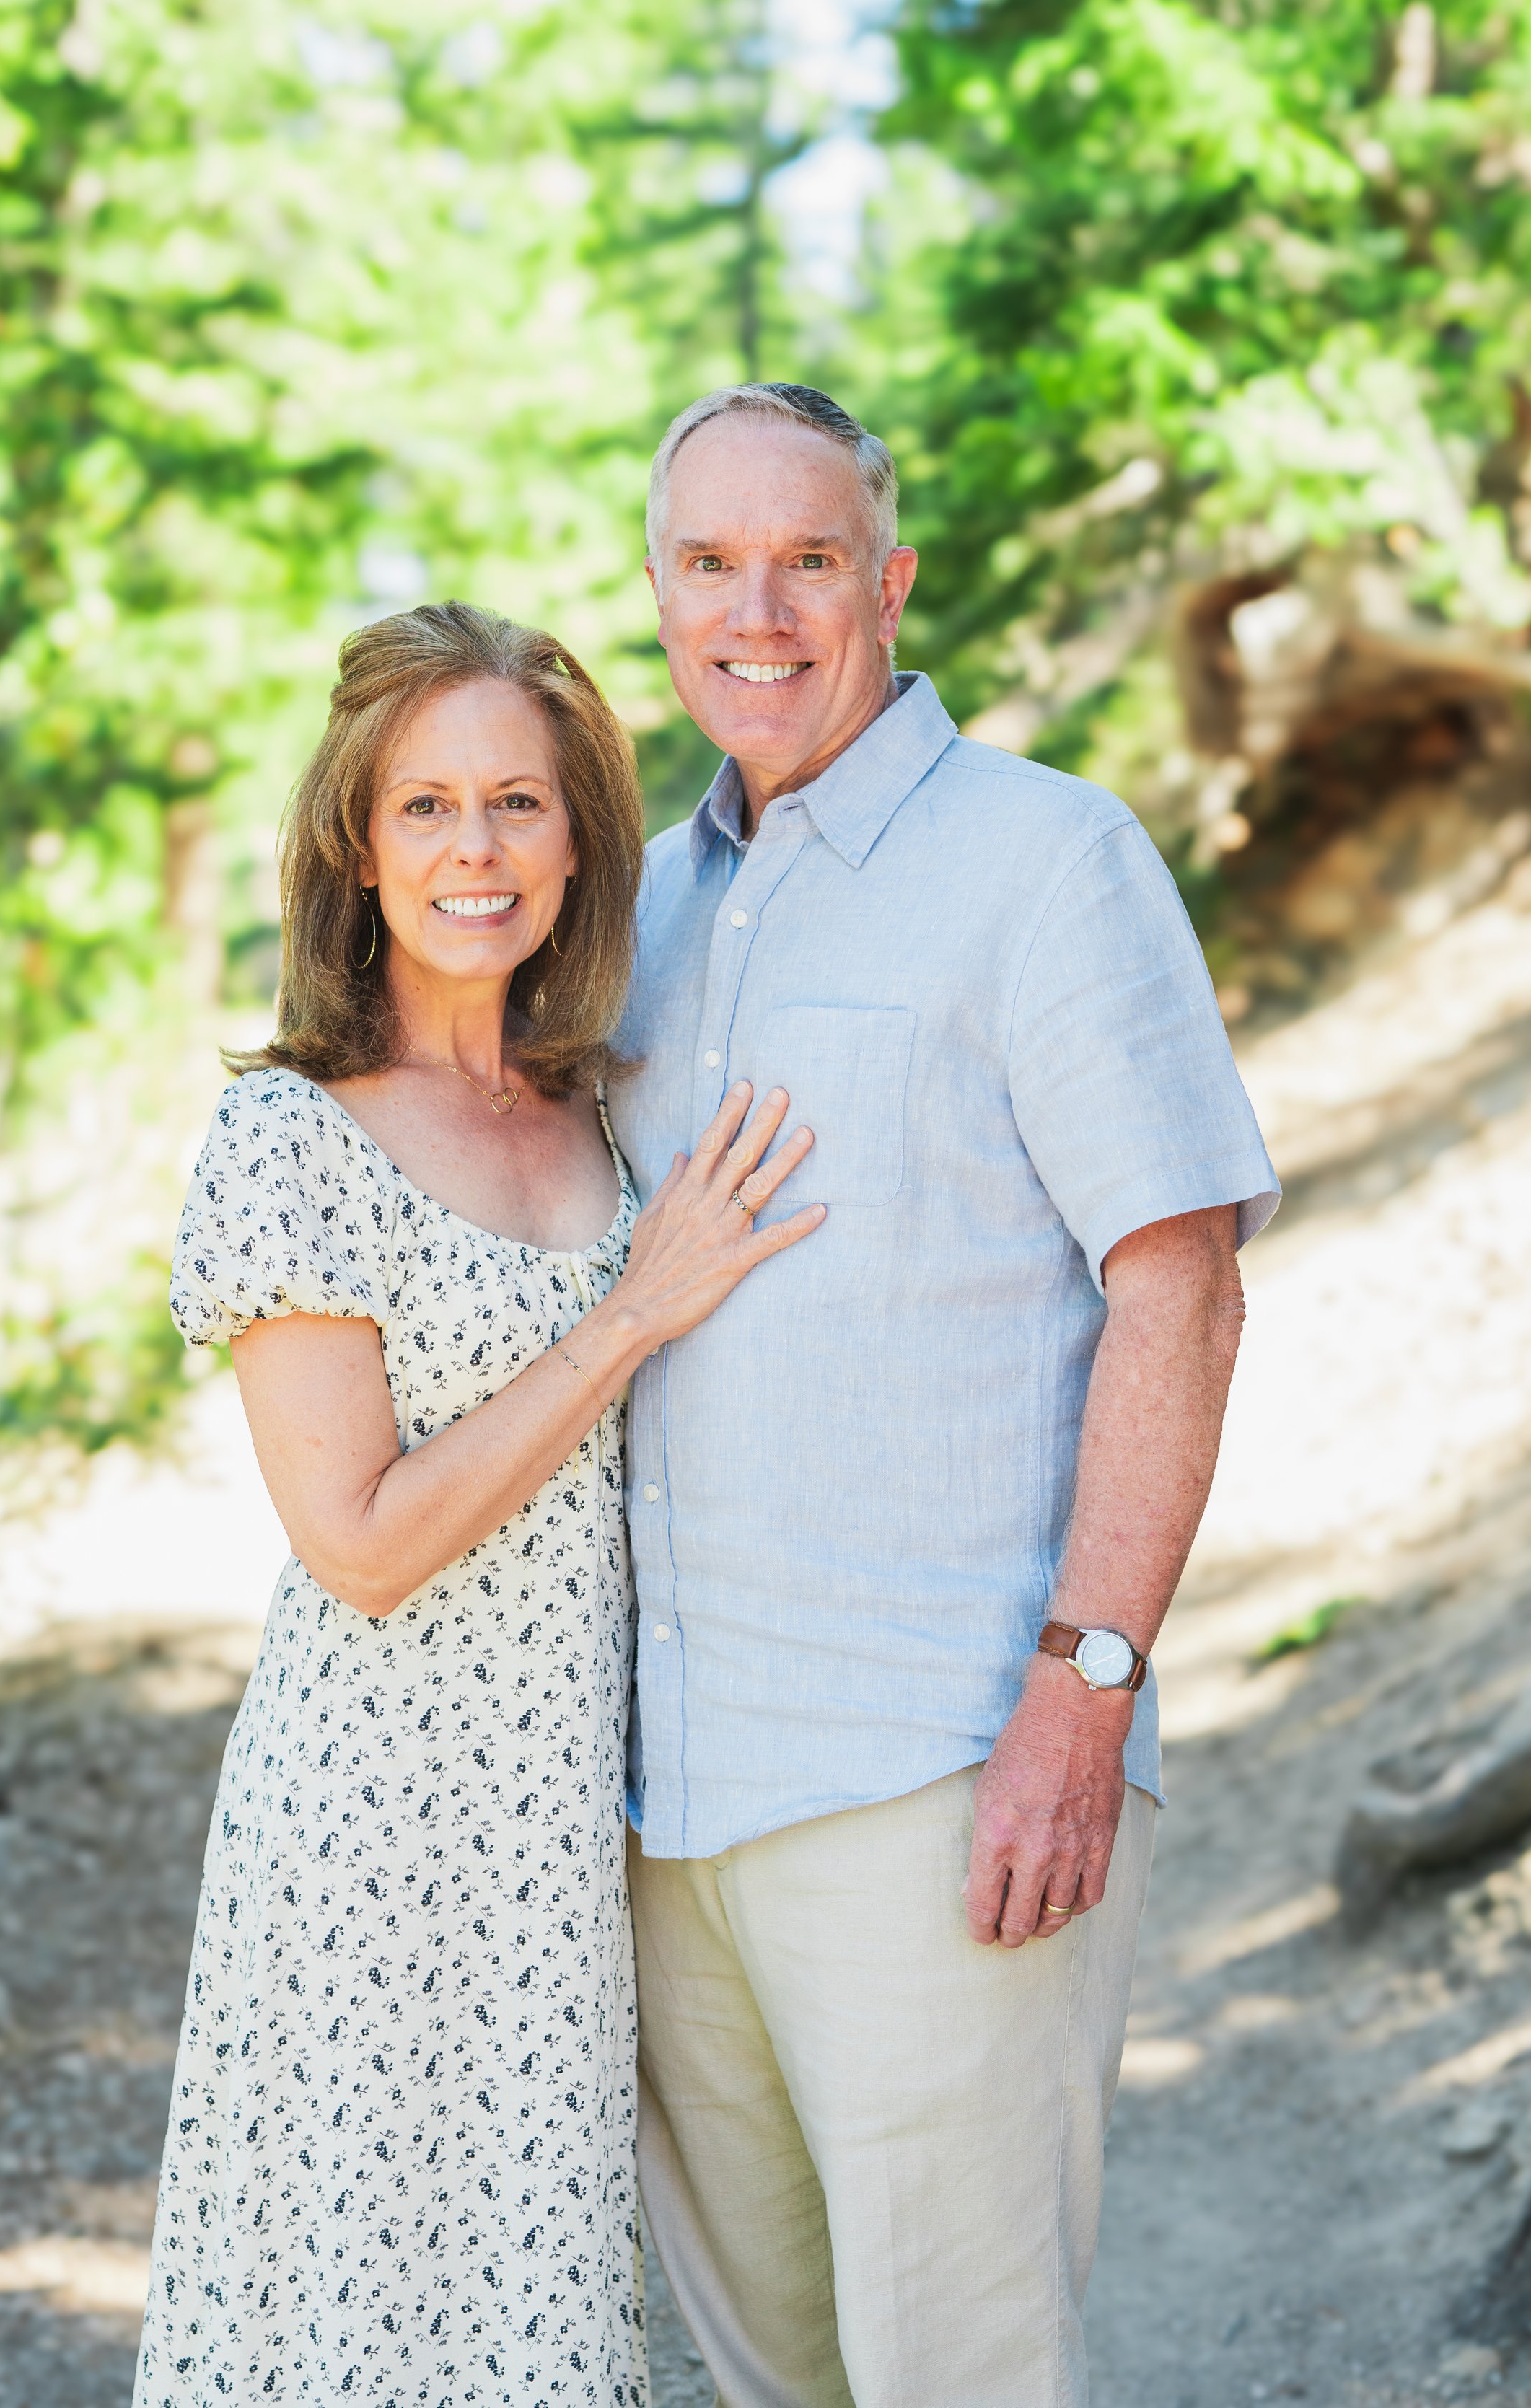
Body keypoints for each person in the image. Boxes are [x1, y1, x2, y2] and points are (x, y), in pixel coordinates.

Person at [607, 385, 1280, 2407]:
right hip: (657, 1804)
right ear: (656, 599)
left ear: (886, 581)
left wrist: (1083, 1692)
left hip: (931, 1775)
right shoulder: (633, 908)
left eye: (807, 558)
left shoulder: (1047, 858)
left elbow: (1178, 1284)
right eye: (708, 563)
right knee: (773, 2384)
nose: (759, 609)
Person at [134, 600, 822, 2408]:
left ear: (579, 833)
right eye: (426, 807)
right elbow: (354, 1543)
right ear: (357, 847)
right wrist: (628, 1314)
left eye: (516, 802)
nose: (473, 850)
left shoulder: (600, 1113)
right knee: (357, 2317)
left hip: (559, 1836)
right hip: (371, 1832)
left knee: (531, 2322)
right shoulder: (290, 1140)